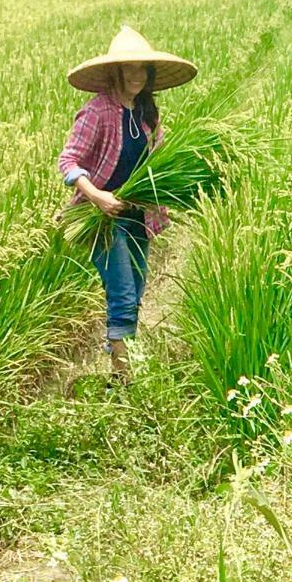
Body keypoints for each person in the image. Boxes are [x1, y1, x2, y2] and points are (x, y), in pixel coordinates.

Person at [58, 25, 197, 381]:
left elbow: (159, 158)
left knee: (135, 293)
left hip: (137, 217)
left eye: (142, 69)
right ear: (115, 71)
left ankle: (118, 357)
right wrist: (97, 196)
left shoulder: (147, 112)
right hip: (102, 219)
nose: (137, 75)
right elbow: (68, 163)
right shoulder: (98, 112)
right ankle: (123, 383)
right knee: (122, 297)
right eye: (129, 68)